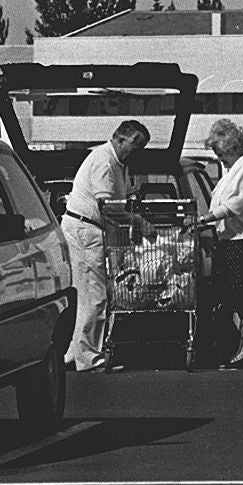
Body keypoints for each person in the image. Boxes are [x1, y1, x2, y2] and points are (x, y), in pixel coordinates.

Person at [62, 120, 150, 372]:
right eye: (135, 144)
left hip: (86, 228)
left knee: (84, 294)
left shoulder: (117, 163)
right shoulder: (104, 161)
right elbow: (109, 207)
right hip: (87, 230)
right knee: (94, 295)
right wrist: (139, 222)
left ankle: (75, 352)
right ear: (119, 138)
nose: (137, 150)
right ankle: (89, 357)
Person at [199, 118, 243, 368]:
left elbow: (236, 203)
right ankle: (237, 347)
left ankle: (242, 350)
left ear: (230, 147)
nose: (219, 158)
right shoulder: (234, 169)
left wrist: (207, 218)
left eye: (219, 153)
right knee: (231, 297)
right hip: (231, 241)